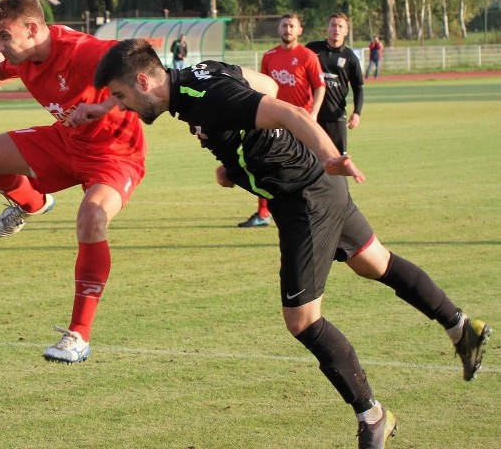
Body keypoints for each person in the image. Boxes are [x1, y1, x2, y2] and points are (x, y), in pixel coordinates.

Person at [90, 38, 492, 449]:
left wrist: (328, 153)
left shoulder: (208, 95)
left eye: (121, 96)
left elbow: (288, 109)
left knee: (302, 320)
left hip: (305, 199)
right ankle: (461, 326)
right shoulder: (198, 74)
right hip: (313, 189)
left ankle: (373, 415)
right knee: (377, 263)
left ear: (143, 81)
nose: (122, 106)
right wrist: (238, 163)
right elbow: (267, 84)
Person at [0, 0, 147, 363]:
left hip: (114, 155)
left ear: (32, 28)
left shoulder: (81, 50)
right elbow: (1, 71)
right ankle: (33, 203)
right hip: (66, 142)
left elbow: (140, 58)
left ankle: (79, 335)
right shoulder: (25, 55)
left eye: (4, 36)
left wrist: (103, 106)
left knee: (91, 218)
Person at [239, 12, 325, 228]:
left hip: (300, 120)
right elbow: (262, 87)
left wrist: (313, 113)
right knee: (265, 164)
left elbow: (319, 86)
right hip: (275, 122)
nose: (287, 29)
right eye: (284, 25)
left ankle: (311, 208)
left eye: (291, 26)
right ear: (278, 29)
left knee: (305, 166)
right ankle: (263, 213)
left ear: (299, 30)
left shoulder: (308, 56)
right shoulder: (269, 56)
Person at [306, 12, 364, 154]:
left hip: (335, 117)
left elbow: (358, 88)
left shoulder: (350, 57)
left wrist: (357, 112)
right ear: (327, 28)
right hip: (311, 114)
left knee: (338, 158)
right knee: (309, 157)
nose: (336, 29)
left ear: (346, 31)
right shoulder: (312, 49)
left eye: (340, 26)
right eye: (333, 25)